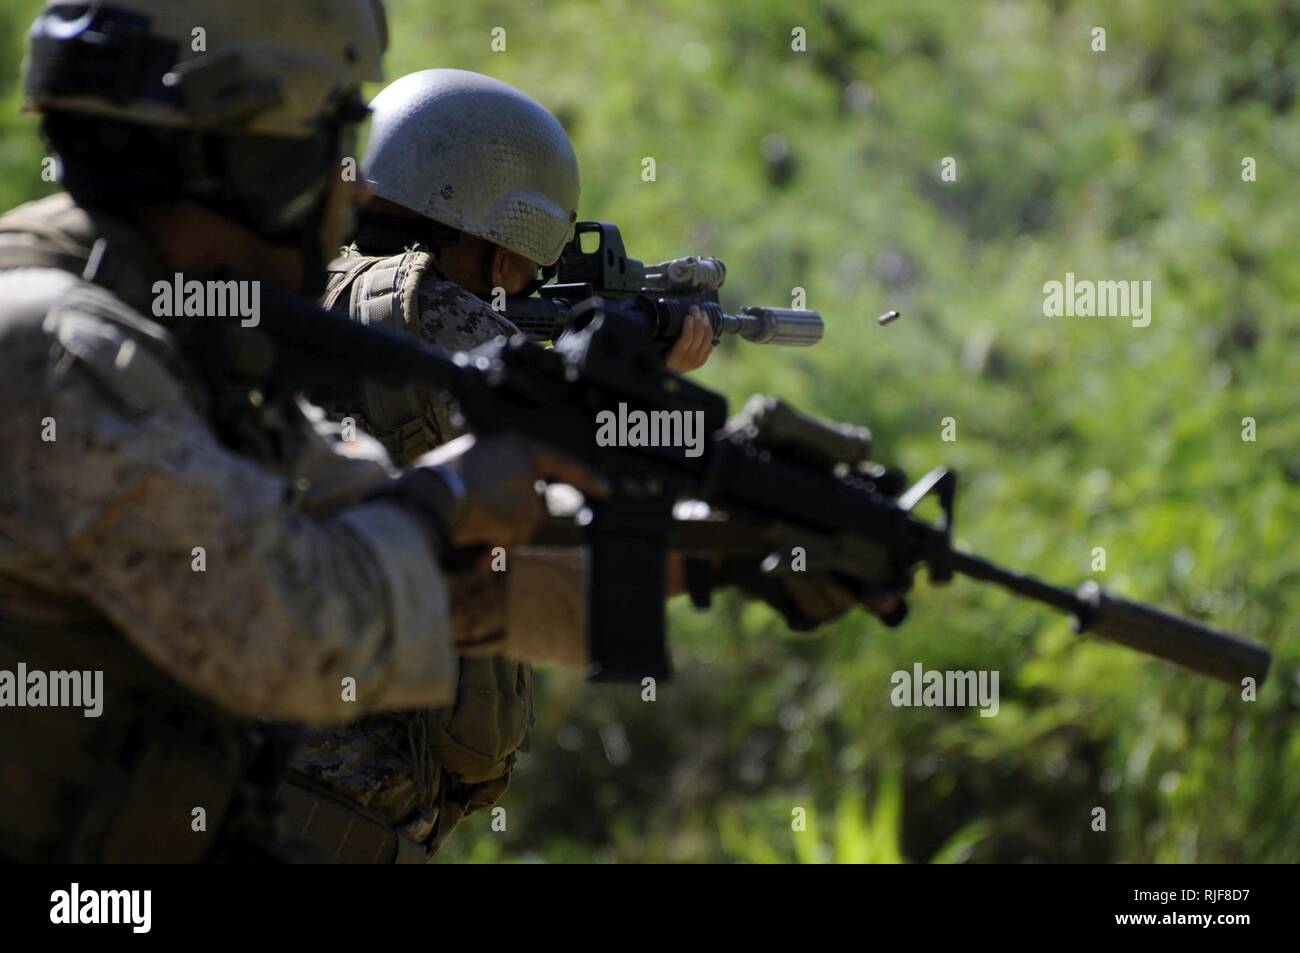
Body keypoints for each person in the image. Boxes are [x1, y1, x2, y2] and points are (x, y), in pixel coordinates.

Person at [0, 0, 601, 863]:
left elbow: (336, 495)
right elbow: (285, 619)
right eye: (330, 136)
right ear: (251, 152)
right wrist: (450, 502)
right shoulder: (63, 347)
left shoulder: (172, 329)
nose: (351, 187)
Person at [285, 69, 714, 861]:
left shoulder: (296, 286)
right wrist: (649, 381)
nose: (524, 279)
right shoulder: (435, 316)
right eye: (525, 259)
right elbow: (592, 493)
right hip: (337, 809)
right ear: (495, 234)